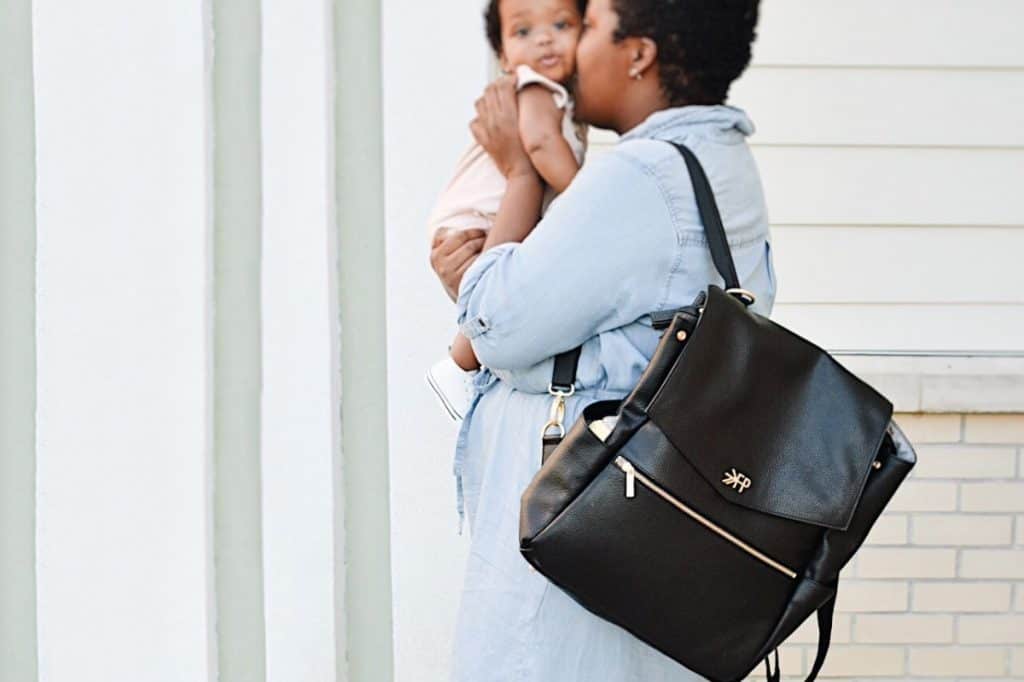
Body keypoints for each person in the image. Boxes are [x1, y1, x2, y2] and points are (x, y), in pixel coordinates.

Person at [429, 0, 774, 678]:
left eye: (588, 27)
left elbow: (496, 321)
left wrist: (515, 186)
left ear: (638, 53)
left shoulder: (642, 173)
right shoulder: (713, 157)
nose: (568, 44)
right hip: (646, 540)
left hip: (580, 564)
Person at [424, 0, 589, 422]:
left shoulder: (565, 101)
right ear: (503, 56)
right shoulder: (536, 88)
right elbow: (539, 146)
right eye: (523, 32)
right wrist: (587, 195)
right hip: (478, 217)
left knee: (515, 291)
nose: (545, 38)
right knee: (499, 286)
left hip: (478, 217)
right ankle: (460, 365)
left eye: (561, 24)